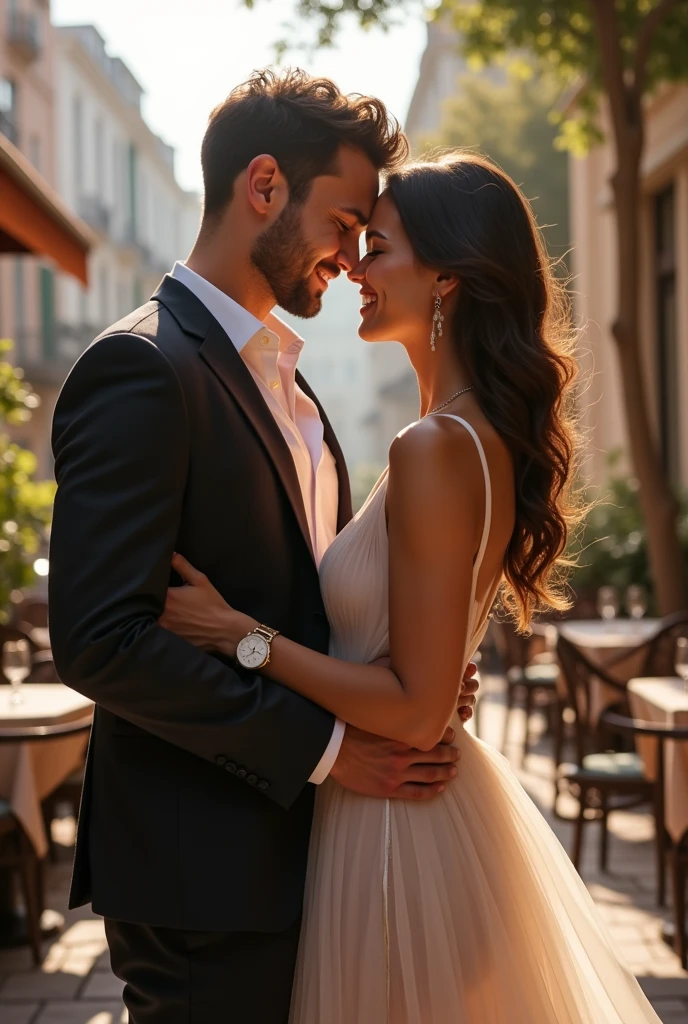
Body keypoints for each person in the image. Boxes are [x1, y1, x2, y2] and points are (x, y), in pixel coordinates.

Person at [161, 154, 663, 1023]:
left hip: (400, 823)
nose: (354, 266)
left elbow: (415, 710)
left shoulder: (434, 447)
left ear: (448, 282)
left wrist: (237, 634)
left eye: (379, 248)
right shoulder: (467, 439)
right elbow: (423, 679)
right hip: (404, 803)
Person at [48, 70, 479, 1024]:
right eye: (346, 221)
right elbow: (98, 640)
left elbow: (307, 596)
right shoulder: (140, 367)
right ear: (266, 187)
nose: (354, 254)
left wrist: (413, 670)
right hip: (204, 875)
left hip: (311, 857)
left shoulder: (293, 388)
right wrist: (329, 750)